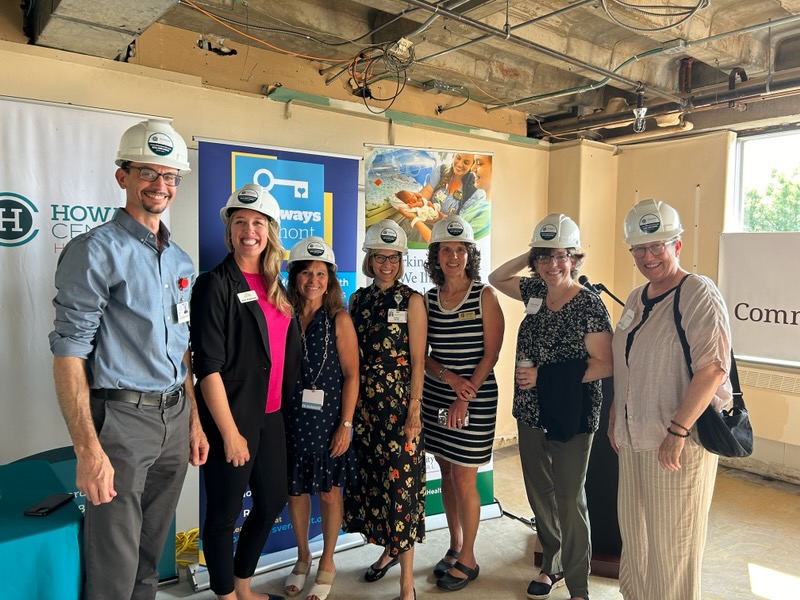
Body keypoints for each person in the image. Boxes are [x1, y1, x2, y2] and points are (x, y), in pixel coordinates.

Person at [49, 119, 209, 600]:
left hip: (175, 415)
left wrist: (194, 421)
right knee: (113, 562)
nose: (161, 186)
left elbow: (182, 349)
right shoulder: (94, 251)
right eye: (148, 173)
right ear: (122, 176)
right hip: (121, 420)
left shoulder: (180, 260)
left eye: (171, 176)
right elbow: (69, 352)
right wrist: (86, 449)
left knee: (149, 554)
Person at [610, 199, 732, 600]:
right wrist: (615, 416)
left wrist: (678, 430)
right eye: (640, 249)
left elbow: (713, 367)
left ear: (676, 246)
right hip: (634, 442)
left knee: (673, 548)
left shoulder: (697, 291)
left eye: (657, 246)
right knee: (638, 543)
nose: (648, 256)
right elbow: (625, 363)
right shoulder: (634, 298)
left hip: (676, 445)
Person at [488, 213, 612, 600]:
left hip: (573, 412)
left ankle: (578, 585)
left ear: (574, 258)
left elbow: (604, 363)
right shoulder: (534, 292)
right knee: (540, 492)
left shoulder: (588, 304)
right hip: (530, 410)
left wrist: (546, 377)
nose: (552, 265)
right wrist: (532, 255)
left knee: (569, 498)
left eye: (561, 256)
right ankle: (552, 563)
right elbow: (496, 278)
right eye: (545, 257)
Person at [190, 183, 301, 600]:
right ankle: (225, 596)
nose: (248, 230)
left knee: (272, 501)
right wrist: (230, 433)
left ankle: (242, 586)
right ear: (230, 230)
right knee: (222, 516)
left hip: (271, 417)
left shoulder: (276, 284)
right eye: (240, 222)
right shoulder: (214, 284)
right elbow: (207, 368)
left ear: (270, 230)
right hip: (231, 419)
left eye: (257, 222)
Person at [343, 219, 426, 600]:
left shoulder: (412, 300)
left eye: (393, 258)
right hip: (365, 411)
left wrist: (414, 411)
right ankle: (388, 550)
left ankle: (407, 583)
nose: (386, 264)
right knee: (375, 488)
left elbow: (418, 361)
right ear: (369, 259)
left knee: (401, 492)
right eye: (380, 257)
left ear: (402, 260)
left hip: (399, 411)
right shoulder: (357, 300)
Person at [421, 215, 504, 592]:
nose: (453, 256)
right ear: (435, 256)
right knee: (447, 470)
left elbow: (492, 353)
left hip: (476, 395)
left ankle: (469, 558)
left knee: (466, 476)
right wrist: (448, 379)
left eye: (460, 249)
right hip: (439, 393)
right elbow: (423, 354)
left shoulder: (484, 295)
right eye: (445, 249)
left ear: (469, 254)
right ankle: (454, 544)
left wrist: (464, 391)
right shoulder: (428, 299)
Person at [283, 237, 358, 600]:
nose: (313, 279)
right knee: (294, 491)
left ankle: (327, 561)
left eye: (321, 273)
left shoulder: (339, 318)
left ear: (330, 278)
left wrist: (346, 424)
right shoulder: (282, 313)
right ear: (294, 276)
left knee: (328, 493)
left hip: (328, 420)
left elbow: (352, 375)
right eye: (306, 272)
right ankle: (302, 556)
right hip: (289, 417)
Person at [398, 152, 486, 243]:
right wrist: (414, 201)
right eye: (458, 158)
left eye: (466, 162)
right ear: (453, 156)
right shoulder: (442, 171)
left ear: (473, 165)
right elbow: (428, 190)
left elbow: (462, 226)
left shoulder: (474, 191)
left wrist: (442, 218)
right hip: (423, 222)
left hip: (445, 236)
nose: (459, 164)